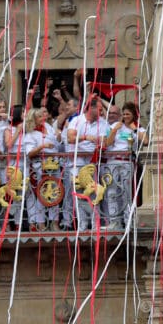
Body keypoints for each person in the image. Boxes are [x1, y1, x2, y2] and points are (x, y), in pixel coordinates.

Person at [64, 95, 111, 230]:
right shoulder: (76, 120)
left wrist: (102, 141)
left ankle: (95, 223)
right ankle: (82, 223)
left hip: (92, 161)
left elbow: (104, 141)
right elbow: (70, 138)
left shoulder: (102, 122)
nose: (102, 112)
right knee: (78, 192)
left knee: (94, 192)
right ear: (91, 108)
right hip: (77, 161)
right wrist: (86, 137)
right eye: (100, 109)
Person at [102, 101, 145, 230]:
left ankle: (128, 220)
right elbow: (107, 144)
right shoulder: (115, 125)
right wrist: (115, 130)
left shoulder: (138, 127)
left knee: (126, 192)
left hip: (127, 162)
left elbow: (146, 140)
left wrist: (134, 129)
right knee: (111, 192)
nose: (125, 116)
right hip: (112, 162)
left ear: (134, 115)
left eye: (128, 114)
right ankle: (114, 221)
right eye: (124, 114)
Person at [19, 107, 62, 231]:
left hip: (54, 164)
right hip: (40, 168)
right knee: (42, 194)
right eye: (39, 116)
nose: (42, 118)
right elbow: (30, 153)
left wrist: (58, 138)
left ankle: (55, 222)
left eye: (42, 116)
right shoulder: (30, 134)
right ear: (33, 119)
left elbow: (57, 146)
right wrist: (42, 146)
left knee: (55, 193)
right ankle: (41, 222)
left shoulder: (48, 128)